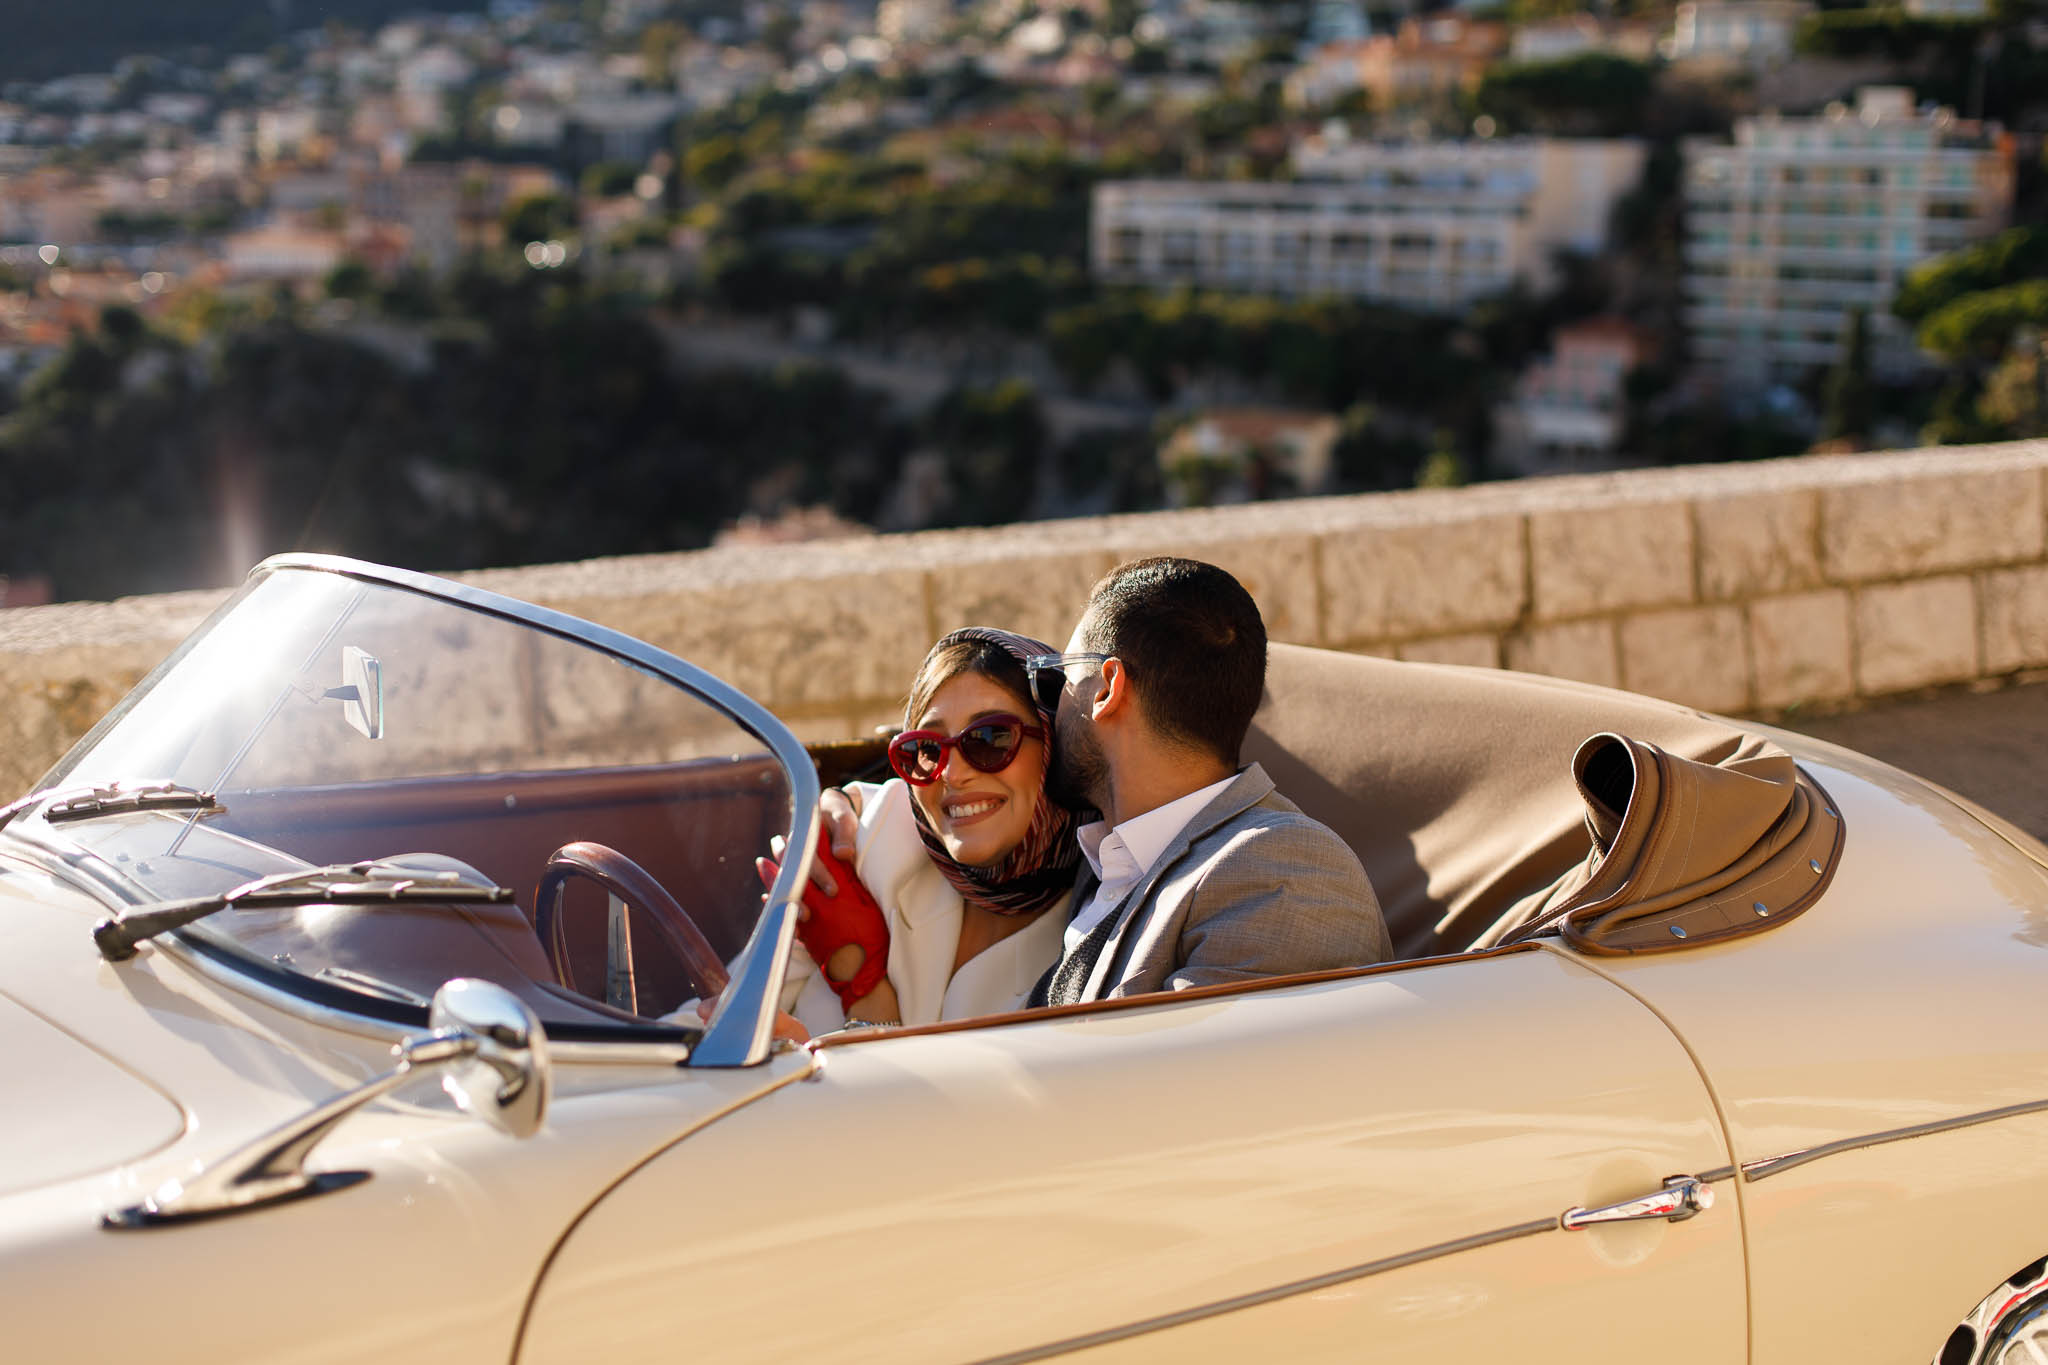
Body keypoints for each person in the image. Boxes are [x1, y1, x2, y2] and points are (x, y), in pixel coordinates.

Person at [1022, 556, 1390, 1005]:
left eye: (1058, 680)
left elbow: (1197, 1055)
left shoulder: (1282, 870)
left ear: (1107, 689)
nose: (1049, 709)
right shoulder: (1105, 864)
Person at [764, 626, 1081, 1038]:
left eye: (990, 738)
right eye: (927, 748)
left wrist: (864, 994)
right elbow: (719, 1016)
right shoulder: (863, 841)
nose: (952, 774)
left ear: (1058, 745)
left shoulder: (1101, 929)